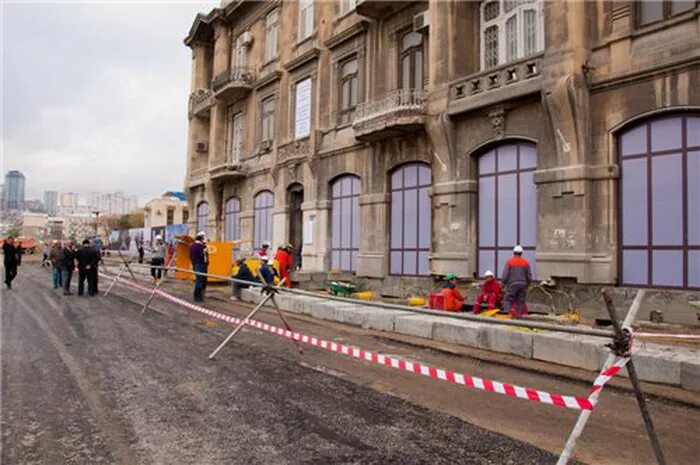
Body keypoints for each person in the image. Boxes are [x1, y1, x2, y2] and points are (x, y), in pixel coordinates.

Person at [501, 245, 532, 318]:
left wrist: (503, 283)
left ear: (513, 252)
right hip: (523, 285)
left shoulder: (509, 261)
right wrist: (528, 285)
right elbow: (529, 276)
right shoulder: (526, 262)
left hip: (512, 284)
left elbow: (505, 274)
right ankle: (519, 318)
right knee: (520, 302)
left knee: (508, 300)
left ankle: (507, 316)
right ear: (521, 253)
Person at [189, 231, 208, 302]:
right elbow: (200, 256)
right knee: (199, 281)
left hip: (202, 265)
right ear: (201, 238)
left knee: (203, 281)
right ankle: (197, 297)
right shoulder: (196, 246)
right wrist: (204, 251)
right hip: (199, 265)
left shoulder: (201, 246)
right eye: (204, 238)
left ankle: (201, 296)